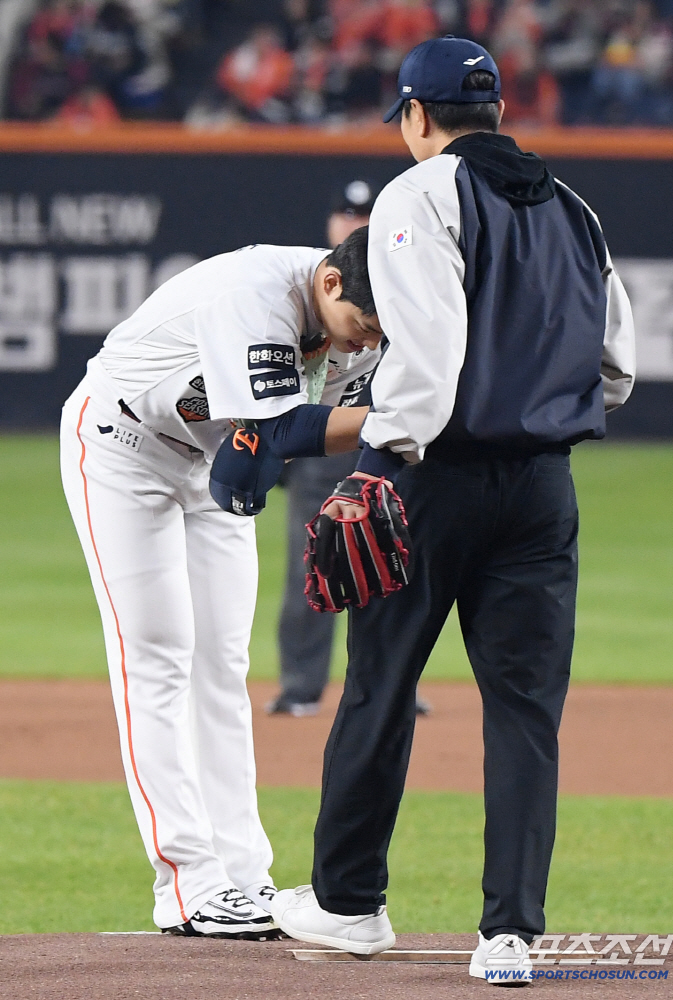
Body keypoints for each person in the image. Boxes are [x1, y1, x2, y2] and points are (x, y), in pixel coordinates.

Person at [271, 36, 636, 982]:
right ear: (499, 113)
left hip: (432, 475)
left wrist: (371, 466)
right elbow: (617, 370)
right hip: (544, 491)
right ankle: (510, 933)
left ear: (417, 116)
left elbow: (426, 372)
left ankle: (350, 904)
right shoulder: (575, 207)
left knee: (380, 685)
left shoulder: (419, 194)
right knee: (524, 711)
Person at [60, 232, 382, 938]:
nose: (365, 345)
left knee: (223, 666)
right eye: (363, 327)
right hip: (121, 447)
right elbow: (283, 427)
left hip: (213, 466)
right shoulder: (257, 293)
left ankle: (242, 876)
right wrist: (401, 423)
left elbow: (270, 452)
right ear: (330, 286)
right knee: (158, 656)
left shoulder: (362, 325)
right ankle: (186, 883)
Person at [268, 180, 432, 718]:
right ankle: (300, 687)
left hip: (385, 448)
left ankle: (394, 687)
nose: (355, 221)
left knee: (391, 564)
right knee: (310, 566)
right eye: (347, 212)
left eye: (365, 213)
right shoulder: (308, 296)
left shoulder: (400, 290)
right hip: (320, 446)